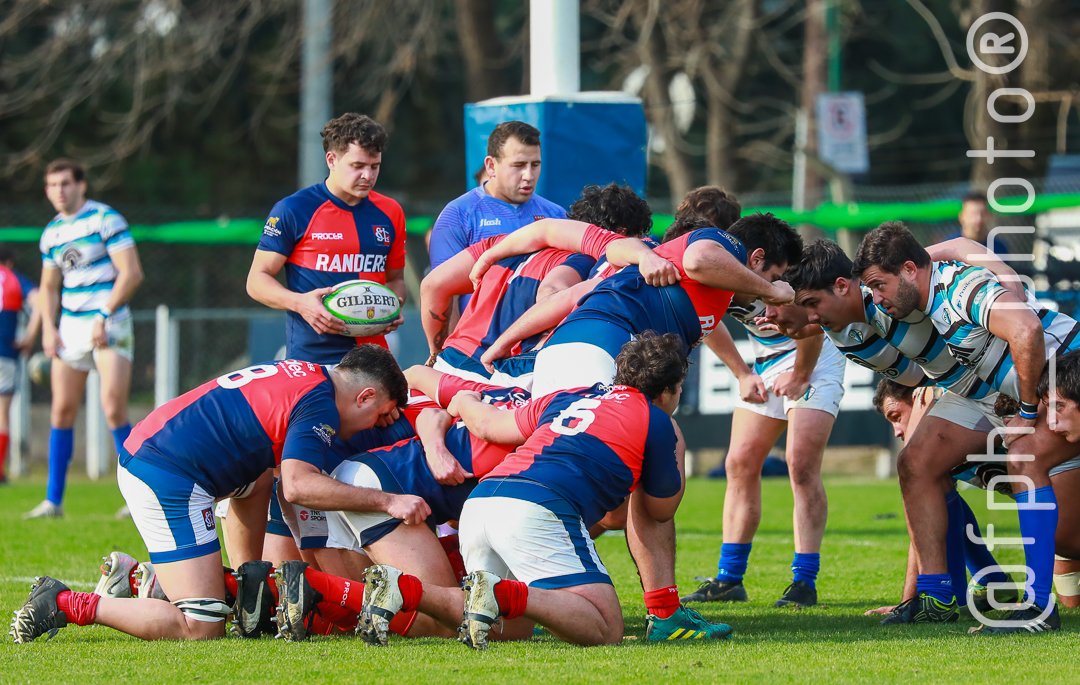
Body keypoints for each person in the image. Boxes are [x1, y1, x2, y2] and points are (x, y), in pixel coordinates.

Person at [9, 345, 407, 644]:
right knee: (201, 625)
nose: (371, 427)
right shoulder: (321, 403)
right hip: (168, 472)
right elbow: (301, 485)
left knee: (260, 478)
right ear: (365, 396)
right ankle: (65, 602)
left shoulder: (310, 374)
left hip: (169, 453)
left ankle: (236, 586)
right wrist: (388, 501)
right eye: (378, 415)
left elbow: (279, 480)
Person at [358, 332, 732, 647]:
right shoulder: (657, 421)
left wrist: (467, 402)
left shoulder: (571, 395)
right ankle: (498, 590)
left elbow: (490, 426)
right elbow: (660, 510)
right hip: (536, 507)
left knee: (511, 628)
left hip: (482, 502)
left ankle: (407, 590)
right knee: (605, 627)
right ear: (669, 390)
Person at [852, 221, 1080, 633]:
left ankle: (1038, 607)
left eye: (879, 285)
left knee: (1026, 462)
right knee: (918, 461)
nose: (877, 298)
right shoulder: (926, 286)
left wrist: (1027, 413)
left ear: (907, 269)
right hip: (1048, 387)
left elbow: (1026, 329)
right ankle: (939, 597)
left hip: (1068, 373)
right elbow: (954, 244)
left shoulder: (957, 289)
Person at [421, 185, 653, 384]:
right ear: (622, 234)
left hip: (447, 364)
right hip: (494, 378)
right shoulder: (588, 261)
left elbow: (433, 285)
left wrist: (435, 350)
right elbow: (551, 293)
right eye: (639, 236)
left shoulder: (498, 243)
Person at [25, 158, 144, 519]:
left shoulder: (106, 220)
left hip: (109, 324)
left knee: (113, 407)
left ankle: (138, 498)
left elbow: (132, 273)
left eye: (65, 183)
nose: (58, 191)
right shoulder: (51, 233)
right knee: (61, 410)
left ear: (81, 185)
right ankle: (52, 501)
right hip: (71, 329)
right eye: (52, 185)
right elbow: (48, 286)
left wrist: (104, 314)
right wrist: (48, 328)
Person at [247, 112, 407, 362]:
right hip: (312, 356)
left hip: (374, 359)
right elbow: (256, 281)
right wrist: (300, 303)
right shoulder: (294, 209)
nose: (368, 175)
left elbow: (396, 280)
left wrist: (391, 307)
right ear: (331, 159)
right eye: (357, 166)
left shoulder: (390, 212)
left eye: (374, 166)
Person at [428, 121, 566, 312]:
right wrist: (448, 343)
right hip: (480, 340)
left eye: (535, 165)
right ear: (491, 166)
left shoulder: (556, 215)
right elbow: (442, 292)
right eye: (518, 165)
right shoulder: (458, 215)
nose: (529, 175)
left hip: (541, 339)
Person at [0, 246, 38, 484]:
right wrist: (30, 336)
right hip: (4, 353)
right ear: (10, 263)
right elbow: (39, 300)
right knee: (1, 414)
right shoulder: (13, 279)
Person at [949, 191, 1009, 255]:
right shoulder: (950, 247)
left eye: (983, 214)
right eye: (973, 214)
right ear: (962, 217)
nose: (978, 219)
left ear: (989, 215)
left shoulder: (999, 248)